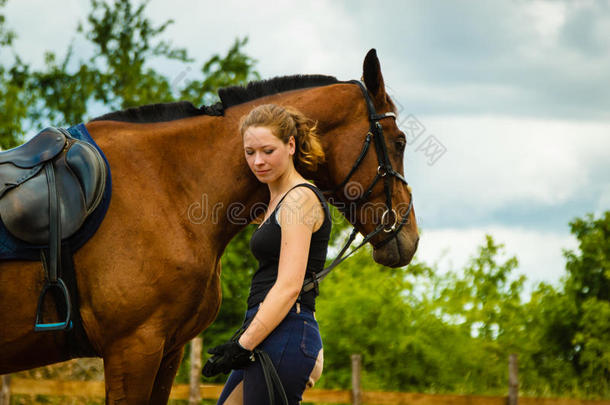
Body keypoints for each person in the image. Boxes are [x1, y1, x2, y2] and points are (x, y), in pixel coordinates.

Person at [202, 104, 332, 404]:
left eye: (267, 151)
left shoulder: (299, 199)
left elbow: (288, 287)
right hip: (266, 332)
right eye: (250, 152)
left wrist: (241, 345)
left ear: (290, 145)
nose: (258, 161)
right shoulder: (274, 201)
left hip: (285, 332)